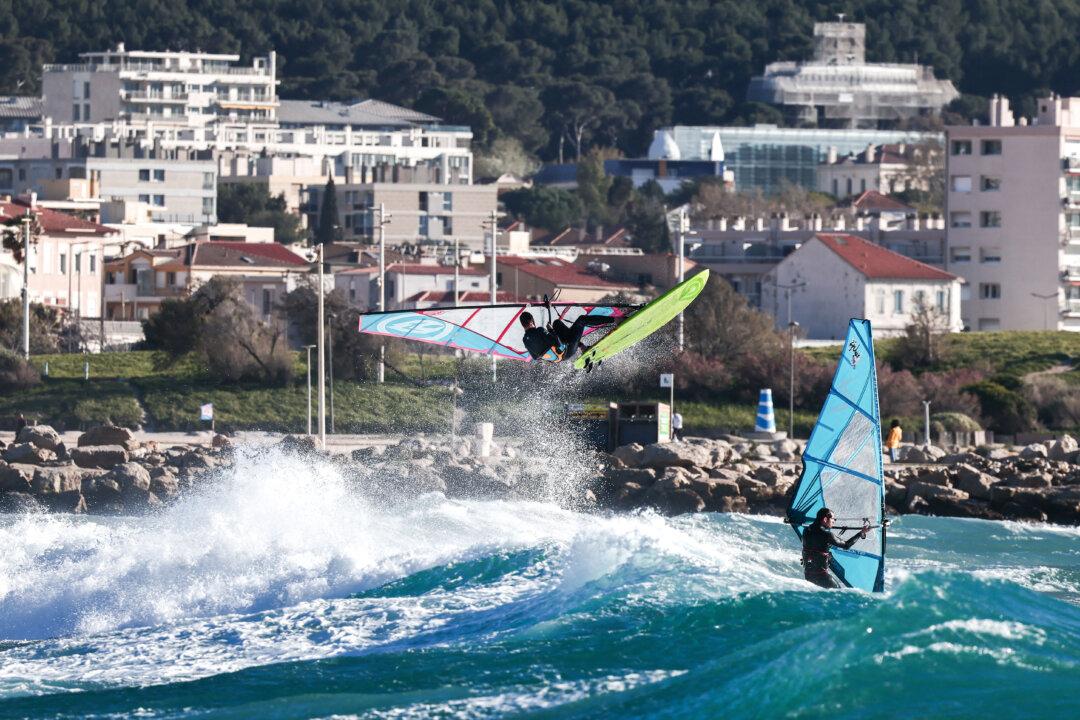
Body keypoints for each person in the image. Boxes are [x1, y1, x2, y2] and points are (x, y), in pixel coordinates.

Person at [801, 507, 869, 589]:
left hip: (808, 575)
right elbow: (846, 545)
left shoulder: (806, 530)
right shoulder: (827, 535)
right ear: (825, 519)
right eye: (833, 519)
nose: (834, 521)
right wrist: (861, 533)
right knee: (840, 594)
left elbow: (814, 547)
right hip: (822, 577)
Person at [519, 310, 614, 362]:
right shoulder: (539, 330)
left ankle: (582, 347)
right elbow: (557, 342)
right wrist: (550, 330)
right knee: (582, 319)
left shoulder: (525, 340)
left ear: (523, 325)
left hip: (561, 358)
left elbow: (536, 358)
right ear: (532, 322)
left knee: (556, 323)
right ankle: (615, 319)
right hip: (568, 349)